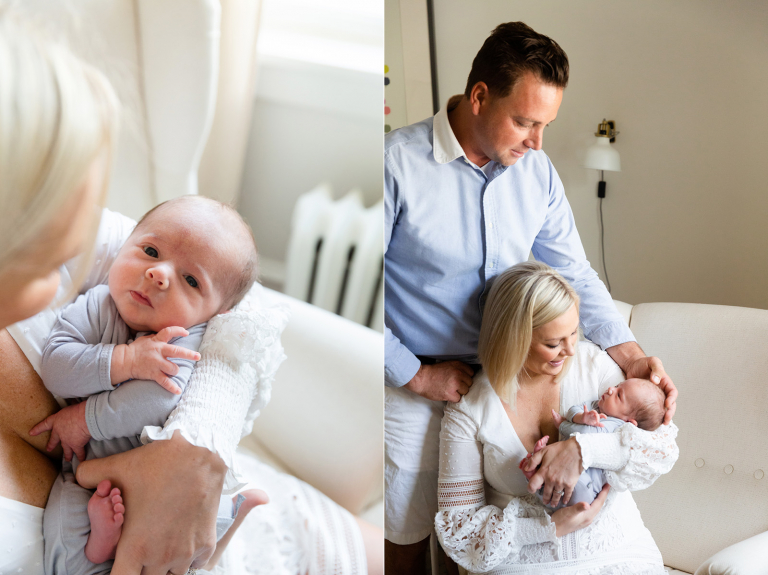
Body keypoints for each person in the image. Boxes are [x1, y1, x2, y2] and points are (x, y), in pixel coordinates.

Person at [0, 10, 383, 575]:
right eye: (49, 258)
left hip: (273, 517)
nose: (75, 259)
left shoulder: (91, 246)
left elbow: (239, 308)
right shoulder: (86, 285)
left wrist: (196, 451)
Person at [384, 21, 677, 573]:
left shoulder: (536, 172)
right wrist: (417, 375)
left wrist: (632, 356)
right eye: (524, 121)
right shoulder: (395, 165)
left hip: (514, 377)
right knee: (405, 535)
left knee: (477, 538)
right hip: (415, 377)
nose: (537, 141)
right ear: (479, 97)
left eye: (545, 125)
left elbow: (574, 273)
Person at [30, 196, 264, 573]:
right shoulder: (99, 304)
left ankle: (232, 513)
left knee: (197, 525)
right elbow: (56, 366)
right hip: (94, 478)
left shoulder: (186, 338)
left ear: (217, 313)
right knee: (62, 525)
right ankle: (99, 547)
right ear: (126, 243)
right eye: (151, 251)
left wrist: (85, 419)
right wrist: (124, 360)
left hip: (158, 475)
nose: (159, 274)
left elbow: (157, 400)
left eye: (191, 280)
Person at [435, 262, 679, 574]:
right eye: (553, 343)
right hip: (526, 564)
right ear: (513, 339)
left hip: (620, 551)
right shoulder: (469, 408)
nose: (571, 350)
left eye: (574, 333)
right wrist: (546, 527)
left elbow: (661, 449)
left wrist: (580, 450)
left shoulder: (594, 365)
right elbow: (459, 529)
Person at [520, 377, 666, 510]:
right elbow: (573, 410)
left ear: (629, 421)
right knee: (550, 476)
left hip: (587, 488)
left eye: (618, 395)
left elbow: (586, 434)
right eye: (617, 386)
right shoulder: (596, 405)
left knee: (573, 485)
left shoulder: (617, 426)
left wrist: (563, 425)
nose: (611, 389)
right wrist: (581, 417)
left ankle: (537, 473)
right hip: (562, 474)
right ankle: (535, 471)